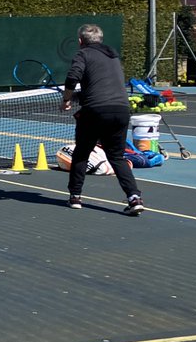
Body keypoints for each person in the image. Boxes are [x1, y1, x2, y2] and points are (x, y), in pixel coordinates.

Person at [60, 23, 145, 215]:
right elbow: (98, 90)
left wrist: (66, 99)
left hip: (96, 113)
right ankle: (134, 197)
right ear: (100, 39)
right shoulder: (113, 57)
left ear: (80, 41)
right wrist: (75, 97)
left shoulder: (83, 54)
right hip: (121, 111)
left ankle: (75, 196)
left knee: (82, 153)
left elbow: (72, 78)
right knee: (117, 157)